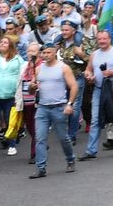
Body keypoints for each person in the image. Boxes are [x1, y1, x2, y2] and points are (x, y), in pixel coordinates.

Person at [78, 29, 113, 159]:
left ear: (109, 39)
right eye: (99, 39)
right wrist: (88, 76)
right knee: (95, 119)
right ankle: (91, 150)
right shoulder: (94, 54)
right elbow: (88, 69)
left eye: (104, 39)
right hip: (98, 90)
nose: (102, 41)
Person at [30, 44, 77, 179]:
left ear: (55, 52)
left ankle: (70, 159)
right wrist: (32, 87)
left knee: (63, 137)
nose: (45, 55)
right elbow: (32, 89)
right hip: (43, 108)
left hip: (59, 107)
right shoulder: (38, 69)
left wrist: (70, 104)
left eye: (48, 52)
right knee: (40, 138)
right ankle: (41, 168)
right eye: (43, 53)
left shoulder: (63, 68)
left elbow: (74, 86)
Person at [55, 20, 90, 142]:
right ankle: (70, 128)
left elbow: (91, 60)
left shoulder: (83, 42)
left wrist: (80, 54)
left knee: (74, 107)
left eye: (66, 30)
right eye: (63, 30)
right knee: (64, 106)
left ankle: (72, 135)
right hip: (62, 79)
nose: (64, 32)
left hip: (77, 77)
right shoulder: (60, 42)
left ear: (74, 31)